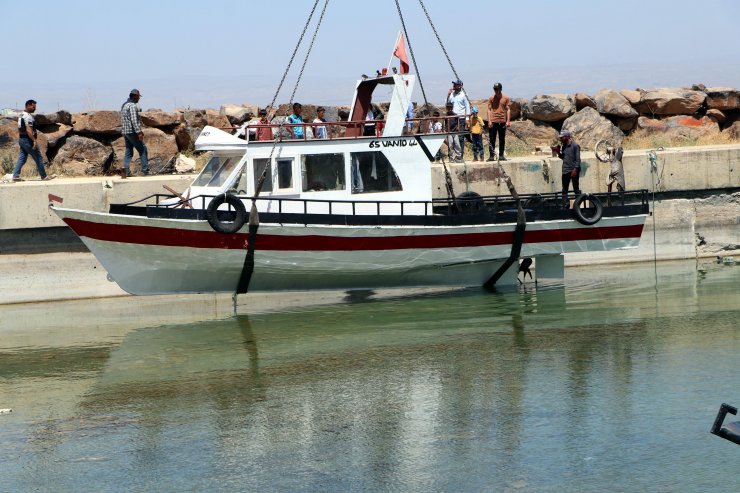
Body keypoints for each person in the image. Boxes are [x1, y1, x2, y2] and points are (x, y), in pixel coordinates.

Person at [12, 99, 52, 182]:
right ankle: (44, 176)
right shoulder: (27, 116)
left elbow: (21, 129)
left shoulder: (21, 115)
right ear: (28, 106)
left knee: (22, 158)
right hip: (28, 140)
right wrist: (34, 140)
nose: (35, 108)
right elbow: (28, 129)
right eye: (33, 107)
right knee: (38, 157)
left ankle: (15, 176)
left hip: (22, 139)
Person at [120, 89, 149, 177]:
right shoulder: (132, 106)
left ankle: (126, 171)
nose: (139, 99)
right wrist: (139, 132)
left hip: (125, 132)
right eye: (138, 97)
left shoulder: (124, 105)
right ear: (134, 96)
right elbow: (134, 120)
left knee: (129, 151)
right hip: (132, 132)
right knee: (143, 150)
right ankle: (144, 171)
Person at [446, 79, 470, 162]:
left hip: (461, 118)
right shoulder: (452, 94)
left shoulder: (464, 95)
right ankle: (452, 156)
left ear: (460, 86)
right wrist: (448, 95)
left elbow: (467, 106)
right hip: (452, 118)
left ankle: (460, 156)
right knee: (451, 138)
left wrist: (467, 118)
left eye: (455, 85)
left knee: (460, 137)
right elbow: (448, 105)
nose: (453, 86)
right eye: (453, 85)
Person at [486, 82, 511, 161]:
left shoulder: (506, 98)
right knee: (492, 139)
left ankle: (501, 155)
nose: (496, 91)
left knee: (502, 139)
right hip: (493, 121)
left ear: (501, 89)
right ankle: (491, 156)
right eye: (495, 89)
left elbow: (508, 109)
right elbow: (489, 110)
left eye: (497, 89)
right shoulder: (491, 98)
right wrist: (489, 121)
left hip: (502, 121)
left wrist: (508, 121)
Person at [557, 129, 581, 208]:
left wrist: (575, 170)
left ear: (567, 137)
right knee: (564, 189)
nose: (560, 139)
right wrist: (558, 152)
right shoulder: (563, 146)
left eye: (562, 137)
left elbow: (578, 160)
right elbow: (563, 157)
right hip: (565, 170)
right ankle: (564, 205)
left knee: (576, 188)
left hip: (573, 170)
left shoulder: (575, 146)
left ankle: (579, 205)